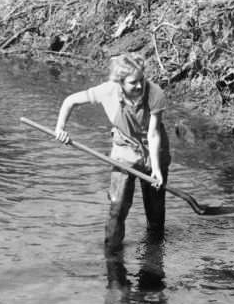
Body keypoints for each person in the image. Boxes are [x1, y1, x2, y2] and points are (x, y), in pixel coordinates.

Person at [53, 52, 170, 256]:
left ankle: (154, 257)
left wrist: (157, 170)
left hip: (153, 150)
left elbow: (153, 134)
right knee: (117, 207)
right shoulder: (107, 91)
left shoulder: (155, 93)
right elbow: (70, 101)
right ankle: (113, 258)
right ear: (120, 82)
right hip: (124, 149)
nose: (140, 86)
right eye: (133, 82)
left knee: (156, 212)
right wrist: (60, 128)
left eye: (142, 80)